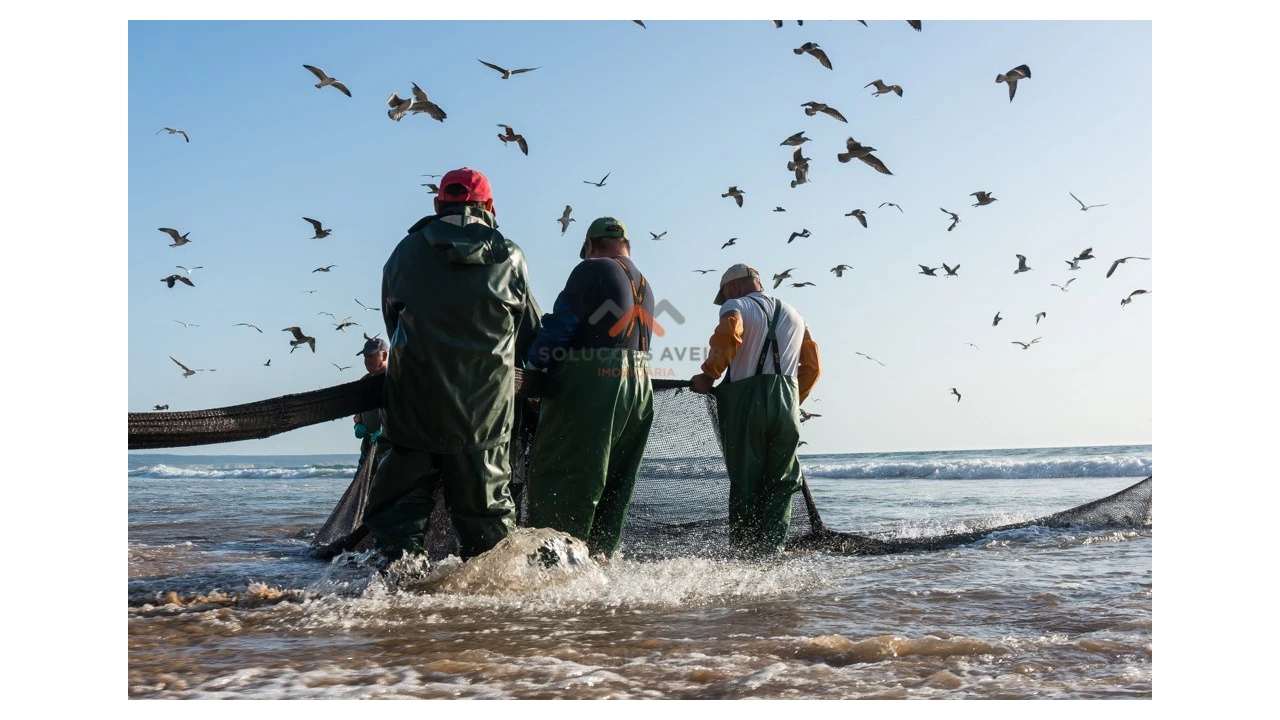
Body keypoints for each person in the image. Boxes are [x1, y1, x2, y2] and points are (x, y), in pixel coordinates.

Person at [362, 167, 542, 563]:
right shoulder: (511, 257)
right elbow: (530, 334)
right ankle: (486, 618)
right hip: (485, 420)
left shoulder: (404, 253)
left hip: (413, 414)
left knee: (397, 530)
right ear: (490, 207)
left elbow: (394, 328)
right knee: (490, 533)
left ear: (437, 204)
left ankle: (397, 612)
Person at [523, 216, 655, 558]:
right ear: (626, 245)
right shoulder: (643, 282)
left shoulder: (591, 269)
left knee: (565, 476)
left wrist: (534, 363)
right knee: (614, 483)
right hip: (639, 385)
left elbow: (561, 324)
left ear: (590, 245)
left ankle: (555, 570)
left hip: (594, 381)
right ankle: (599, 563)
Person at [689, 263, 821, 556]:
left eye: (724, 294)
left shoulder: (735, 305)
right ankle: (772, 550)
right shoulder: (796, 315)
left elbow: (730, 333)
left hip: (745, 403)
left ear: (733, 288)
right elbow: (812, 367)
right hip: (787, 404)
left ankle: (744, 553)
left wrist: (709, 375)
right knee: (782, 482)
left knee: (745, 480)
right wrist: (790, 403)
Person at [352, 333, 389, 452]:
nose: (367, 360)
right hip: (368, 447)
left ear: (384, 355)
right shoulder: (364, 382)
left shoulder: (396, 381)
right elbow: (357, 413)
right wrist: (358, 425)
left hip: (392, 449)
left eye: (371, 356)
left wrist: (385, 431)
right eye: (365, 356)